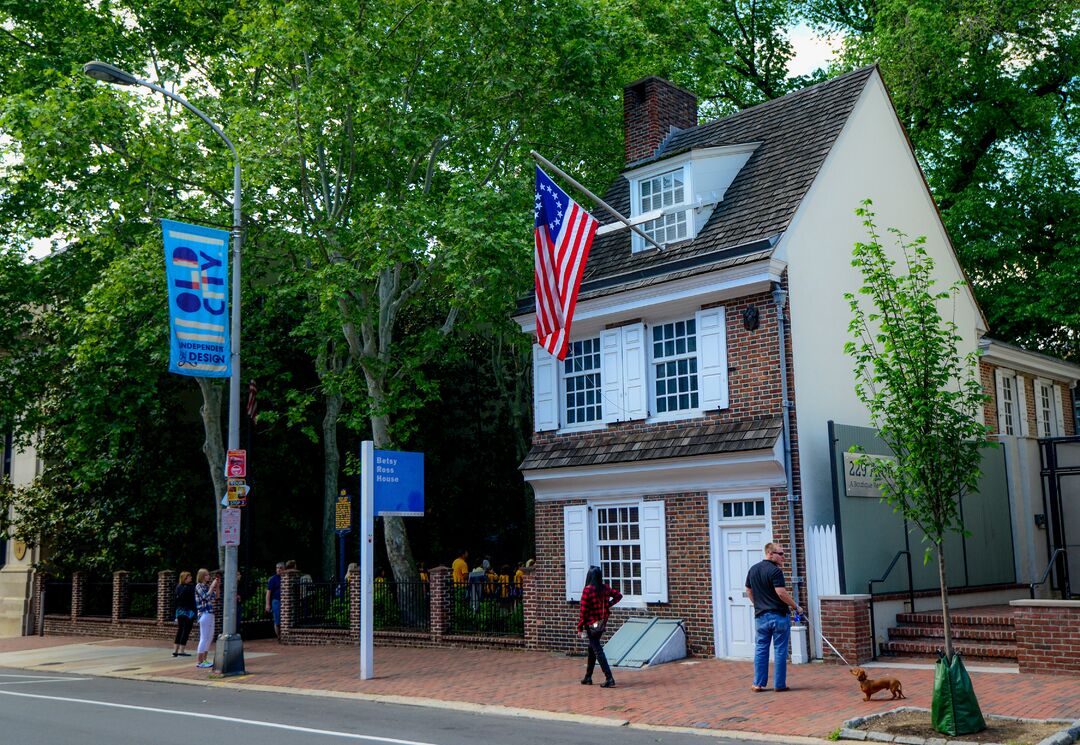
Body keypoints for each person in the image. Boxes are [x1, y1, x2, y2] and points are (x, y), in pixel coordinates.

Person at [744, 542, 804, 693]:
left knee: (761, 649)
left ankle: (758, 684)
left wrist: (758, 605)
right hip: (778, 616)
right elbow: (781, 593)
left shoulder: (753, 569)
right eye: (780, 554)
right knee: (780, 650)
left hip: (761, 617)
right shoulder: (775, 571)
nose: (783, 557)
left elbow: (748, 591)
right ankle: (779, 684)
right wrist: (796, 606)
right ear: (770, 553)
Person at [576, 566, 621, 688]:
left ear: (589, 576)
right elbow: (619, 595)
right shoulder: (605, 588)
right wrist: (608, 605)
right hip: (601, 623)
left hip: (591, 625)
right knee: (592, 648)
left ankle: (609, 677)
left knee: (597, 650)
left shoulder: (588, 590)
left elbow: (583, 612)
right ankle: (588, 676)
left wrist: (580, 627)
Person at [194, 568, 219, 669]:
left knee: (209, 637)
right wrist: (212, 586)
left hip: (210, 613)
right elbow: (205, 597)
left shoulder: (206, 586)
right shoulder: (199, 586)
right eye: (207, 575)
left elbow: (216, 597)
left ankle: (204, 659)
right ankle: (199, 661)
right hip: (204, 613)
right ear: (202, 576)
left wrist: (217, 587)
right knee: (204, 638)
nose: (209, 577)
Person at [172, 571, 196, 657]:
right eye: (189, 577)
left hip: (179, 611)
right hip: (189, 612)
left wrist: (174, 613)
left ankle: (175, 650)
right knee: (186, 630)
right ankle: (182, 650)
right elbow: (193, 601)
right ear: (185, 578)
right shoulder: (191, 587)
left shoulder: (178, 587)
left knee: (180, 630)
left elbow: (175, 601)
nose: (191, 578)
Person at [265, 561, 284, 640]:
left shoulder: (286, 577)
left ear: (284, 569)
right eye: (277, 568)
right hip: (276, 601)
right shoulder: (273, 579)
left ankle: (283, 636)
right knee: (277, 620)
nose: (278, 569)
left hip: (285, 602)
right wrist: (267, 604)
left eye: (280, 568)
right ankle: (279, 636)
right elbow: (268, 592)